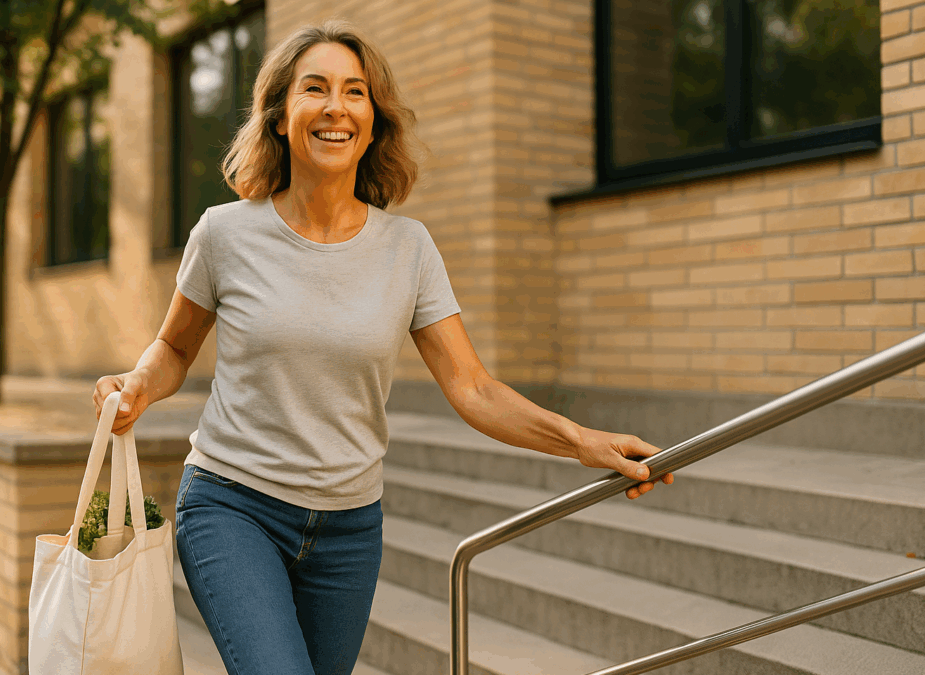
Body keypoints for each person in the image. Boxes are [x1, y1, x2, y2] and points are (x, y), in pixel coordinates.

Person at [92, 18, 673, 675]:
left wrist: (580, 439)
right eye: (316, 88)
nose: (337, 107)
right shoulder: (224, 235)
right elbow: (174, 346)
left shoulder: (409, 248)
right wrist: (137, 382)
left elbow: (473, 387)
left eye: (356, 92)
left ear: (372, 123)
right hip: (233, 506)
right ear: (281, 116)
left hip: (348, 531)